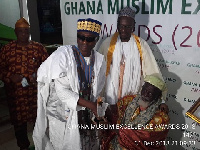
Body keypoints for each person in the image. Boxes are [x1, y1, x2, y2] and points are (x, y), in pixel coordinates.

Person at [33, 18, 106, 150]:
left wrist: (99, 110)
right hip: (62, 114)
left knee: (87, 144)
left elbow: (99, 91)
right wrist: (92, 105)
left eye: (89, 39)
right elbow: (62, 92)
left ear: (96, 40)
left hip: (86, 115)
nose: (84, 42)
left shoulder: (99, 60)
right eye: (81, 37)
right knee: (64, 145)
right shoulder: (63, 55)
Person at [98, 7, 168, 117]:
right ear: (117, 24)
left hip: (132, 100)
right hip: (109, 99)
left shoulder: (141, 45)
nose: (124, 30)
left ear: (133, 26)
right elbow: (97, 73)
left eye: (128, 26)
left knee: (127, 131)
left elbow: (152, 74)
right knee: (110, 129)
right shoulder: (107, 44)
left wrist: (162, 101)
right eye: (121, 26)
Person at [0, 17, 49, 150]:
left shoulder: (38, 48)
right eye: (21, 32)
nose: (24, 35)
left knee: (39, 122)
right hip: (16, 97)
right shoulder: (7, 49)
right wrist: (11, 76)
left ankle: (41, 145)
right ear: (16, 32)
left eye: (26, 32)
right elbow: (1, 69)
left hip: (35, 95)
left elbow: (48, 69)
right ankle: (23, 146)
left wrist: (38, 76)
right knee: (19, 125)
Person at [101, 75, 170, 150]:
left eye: (150, 93)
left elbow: (141, 137)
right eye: (144, 90)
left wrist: (111, 127)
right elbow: (114, 112)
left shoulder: (161, 118)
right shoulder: (130, 100)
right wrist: (101, 110)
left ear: (157, 96)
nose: (145, 95)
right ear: (142, 87)